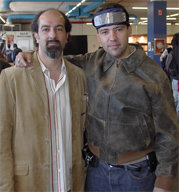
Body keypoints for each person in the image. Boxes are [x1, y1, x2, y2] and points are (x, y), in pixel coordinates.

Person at [15, 3, 178, 192]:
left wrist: (164, 181)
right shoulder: (91, 63)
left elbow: (169, 133)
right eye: (105, 32)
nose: (113, 38)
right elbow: (56, 61)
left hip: (137, 174)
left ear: (129, 30)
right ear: (98, 36)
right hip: (95, 172)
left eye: (118, 29)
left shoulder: (153, 74)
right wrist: (29, 56)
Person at [0, 9, 87, 192]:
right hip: (29, 184)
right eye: (45, 29)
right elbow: (2, 140)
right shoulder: (11, 78)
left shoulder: (79, 76)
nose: (52, 35)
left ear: (67, 36)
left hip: (70, 184)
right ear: (36, 36)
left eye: (59, 29)